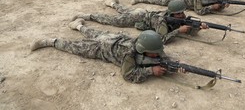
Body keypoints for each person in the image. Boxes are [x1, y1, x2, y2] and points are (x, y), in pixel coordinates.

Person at [31, 23, 186, 83]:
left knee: (93, 32)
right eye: (155, 53)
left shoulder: (148, 45)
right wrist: (150, 71)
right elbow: (128, 75)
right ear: (145, 50)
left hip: (114, 38)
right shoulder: (130, 55)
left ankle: (78, 26)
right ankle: (51, 41)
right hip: (102, 49)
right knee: (75, 46)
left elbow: (162, 58)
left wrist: (176, 66)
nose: (158, 54)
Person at [72, 0, 207, 44]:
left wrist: (199, 27)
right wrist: (178, 31)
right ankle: (87, 15)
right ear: (172, 13)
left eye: (182, 12)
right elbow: (161, 39)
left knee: (125, 11)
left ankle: (114, 4)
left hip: (144, 13)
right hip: (140, 17)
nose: (183, 15)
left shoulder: (177, 17)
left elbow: (189, 29)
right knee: (114, 21)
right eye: (179, 13)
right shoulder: (162, 22)